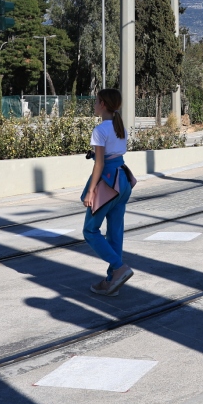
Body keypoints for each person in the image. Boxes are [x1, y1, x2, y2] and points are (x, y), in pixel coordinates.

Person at [83, 88, 136, 296]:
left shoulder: (100, 130)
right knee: (115, 233)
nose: (94, 105)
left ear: (103, 104)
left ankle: (119, 267)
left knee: (90, 231)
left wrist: (90, 191)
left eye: (96, 101)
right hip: (123, 180)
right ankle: (112, 281)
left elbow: (99, 164)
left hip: (108, 182)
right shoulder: (120, 127)